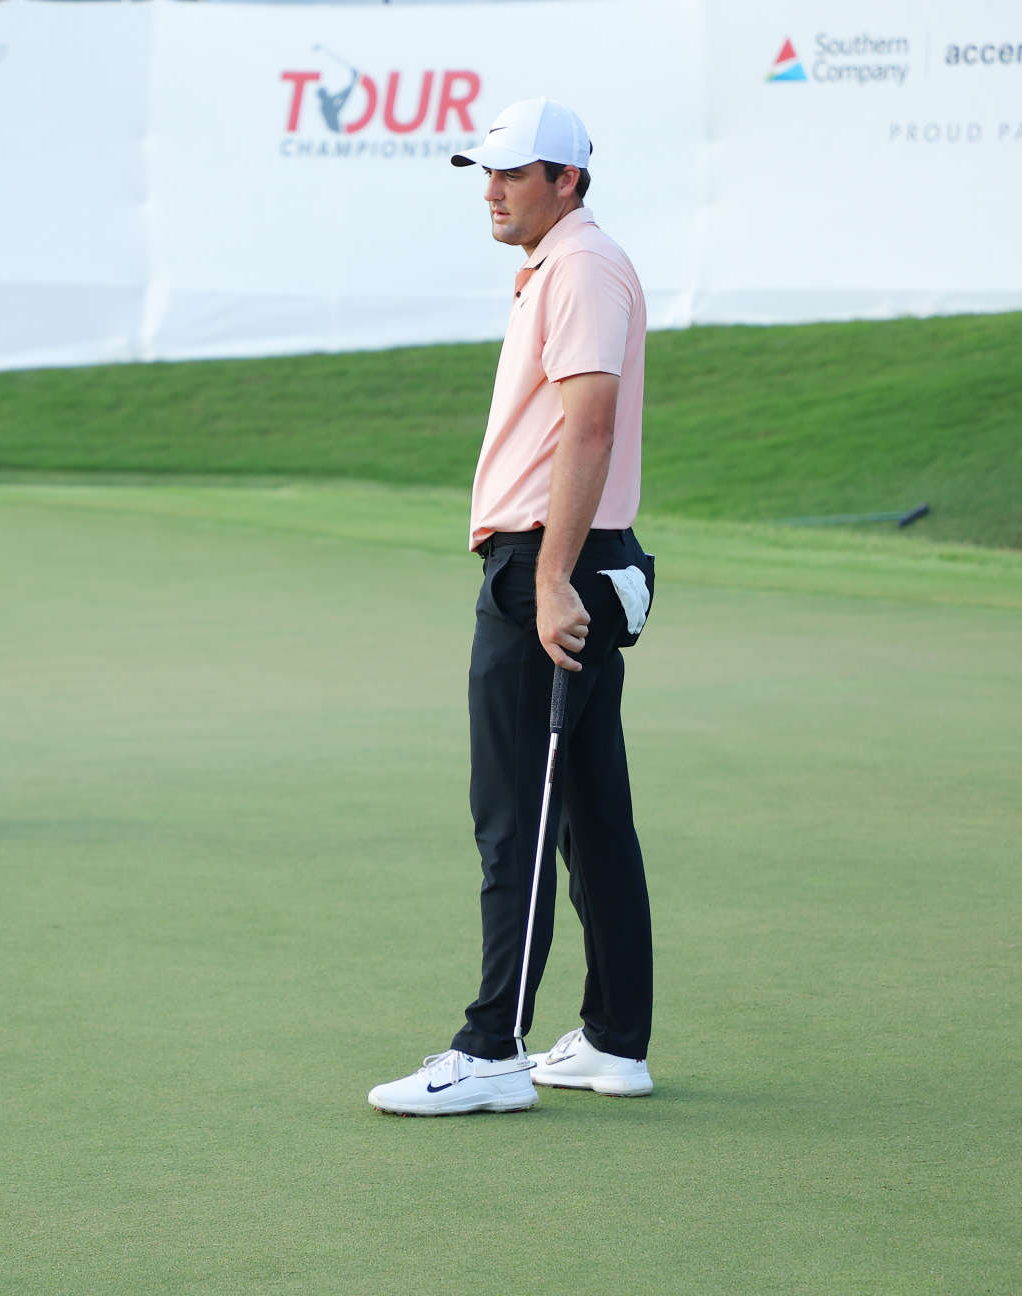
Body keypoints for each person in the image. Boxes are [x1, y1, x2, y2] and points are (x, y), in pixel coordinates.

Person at [368, 99, 656, 1116]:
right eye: (482, 172)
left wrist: (546, 580)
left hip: (549, 560)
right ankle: (616, 1040)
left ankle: (491, 1047)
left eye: (512, 173)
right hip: (565, 557)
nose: (490, 190)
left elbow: (588, 430)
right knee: (582, 812)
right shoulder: (566, 263)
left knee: (516, 818)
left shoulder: (577, 266)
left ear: (566, 180)